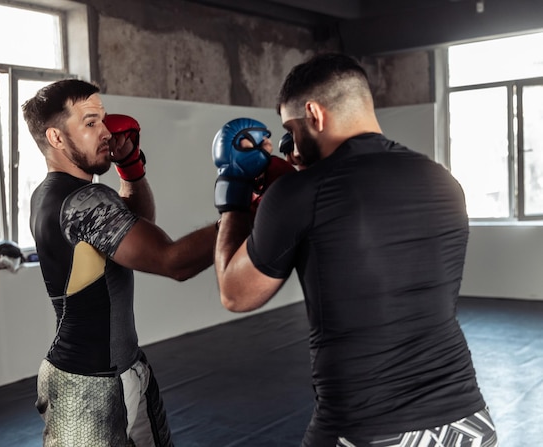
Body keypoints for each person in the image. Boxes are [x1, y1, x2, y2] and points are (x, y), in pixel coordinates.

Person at [211, 53, 498, 447]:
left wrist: (233, 198)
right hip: (467, 423)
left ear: (314, 113)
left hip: (370, 430)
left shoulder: (299, 193)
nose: (289, 144)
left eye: (291, 129)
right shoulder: (442, 180)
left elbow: (235, 293)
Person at [22, 78, 217, 447]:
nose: (108, 131)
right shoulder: (84, 201)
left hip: (126, 368)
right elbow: (172, 262)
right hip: (84, 387)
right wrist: (247, 213)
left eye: (105, 119)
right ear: (57, 138)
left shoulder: (54, 194)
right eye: (91, 122)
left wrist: (130, 169)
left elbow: (137, 228)